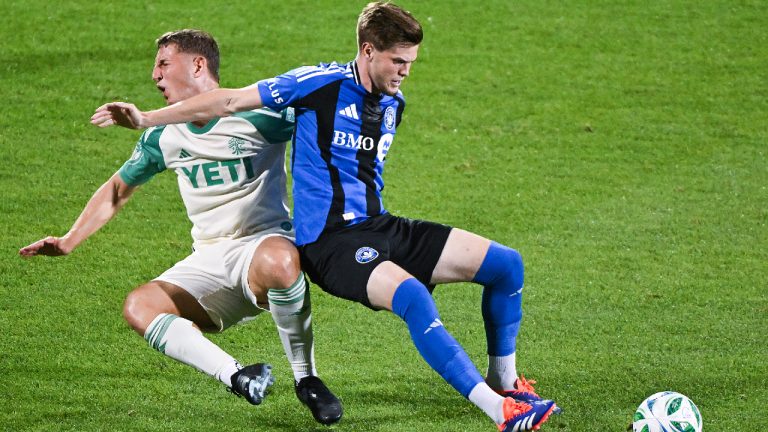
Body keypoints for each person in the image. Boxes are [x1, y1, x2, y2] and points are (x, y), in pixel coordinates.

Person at [90, 4, 559, 431]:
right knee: (414, 298)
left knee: (506, 265)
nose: (405, 72)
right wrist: (148, 119)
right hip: (332, 244)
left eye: (411, 63)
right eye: (398, 61)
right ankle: (501, 413)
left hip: (381, 225)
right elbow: (229, 101)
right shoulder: (319, 83)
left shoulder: (393, 104)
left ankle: (508, 384)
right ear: (368, 50)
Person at [21, 29, 343, 426]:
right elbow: (119, 188)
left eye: (163, 64)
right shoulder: (163, 135)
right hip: (207, 258)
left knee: (279, 259)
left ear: (197, 64)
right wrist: (69, 241)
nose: (154, 75)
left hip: (262, 247)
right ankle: (238, 376)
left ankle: (306, 379)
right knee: (139, 306)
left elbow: (323, 122)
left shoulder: (261, 114)